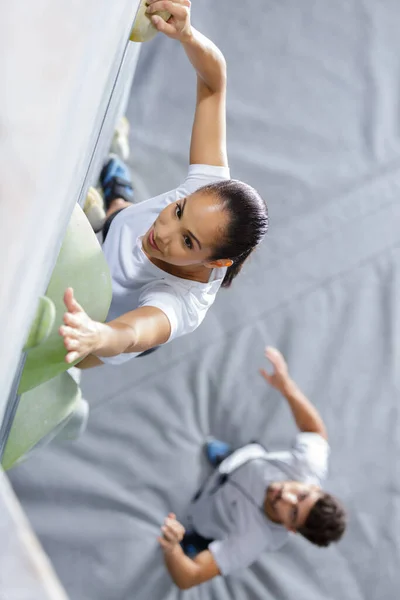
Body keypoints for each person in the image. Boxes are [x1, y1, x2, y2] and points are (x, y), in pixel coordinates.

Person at [59, 0, 268, 368]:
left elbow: (131, 334)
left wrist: (97, 334)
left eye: (188, 240)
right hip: (119, 230)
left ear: (216, 262)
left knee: (71, 357)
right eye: (178, 210)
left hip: (109, 320)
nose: (165, 231)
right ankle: (115, 192)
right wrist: (187, 34)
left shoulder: (182, 302)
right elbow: (213, 82)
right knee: (121, 217)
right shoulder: (206, 186)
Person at [157, 347, 347, 589]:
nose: (285, 496)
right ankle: (227, 460)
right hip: (245, 462)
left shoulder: (251, 541)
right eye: (301, 494)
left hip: (211, 515)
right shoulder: (309, 466)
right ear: (313, 486)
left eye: (293, 512)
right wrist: (286, 386)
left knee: (196, 536)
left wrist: (172, 547)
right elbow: (315, 432)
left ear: (290, 529)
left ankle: (197, 539)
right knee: (241, 460)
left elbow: (189, 577)